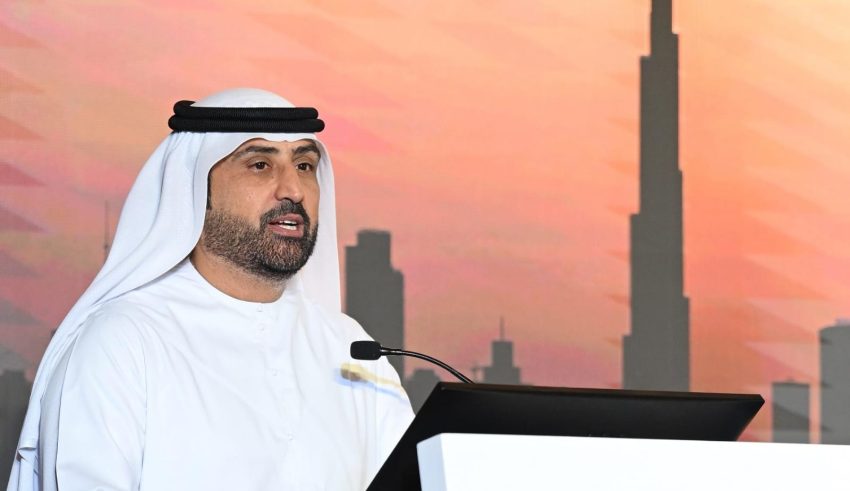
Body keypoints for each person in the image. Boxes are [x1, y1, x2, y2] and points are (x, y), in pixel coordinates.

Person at [8, 88, 414, 491]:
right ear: (195, 191)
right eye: (260, 165)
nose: (293, 189)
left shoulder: (350, 348)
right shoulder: (123, 342)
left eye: (305, 165)